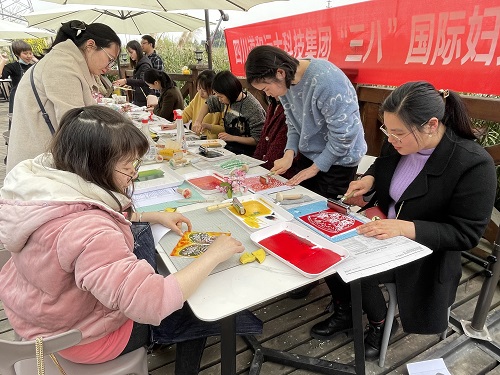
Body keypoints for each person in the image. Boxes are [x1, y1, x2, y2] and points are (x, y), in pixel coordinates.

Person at [0, 105, 262, 374]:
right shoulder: (91, 230)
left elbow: (89, 226)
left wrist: (150, 216)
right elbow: (152, 302)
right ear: (95, 166)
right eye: (128, 167)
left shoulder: (45, 190)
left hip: (41, 316)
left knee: (143, 236)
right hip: (84, 340)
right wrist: (213, 254)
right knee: (196, 307)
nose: (133, 174)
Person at [312, 81, 497, 360]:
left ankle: (381, 322)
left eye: (398, 133)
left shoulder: (473, 164)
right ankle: (346, 309)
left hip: (427, 250)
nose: (391, 139)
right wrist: (370, 179)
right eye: (388, 130)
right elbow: (382, 163)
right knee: (325, 244)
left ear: (432, 125)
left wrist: (403, 228)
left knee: (352, 265)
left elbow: (466, 234)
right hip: (385, 225)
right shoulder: (398, 143)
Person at [245, 45, 367, 298]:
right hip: (311, 156)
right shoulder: (288, 81)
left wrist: (315, 168)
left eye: (267, 89)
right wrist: (289, 154)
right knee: (298, 217)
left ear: (280, 73)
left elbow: (344, 136)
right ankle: (310, 272)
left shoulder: (327, 81)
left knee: (323, 228)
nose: (269, 95)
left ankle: (343, 304)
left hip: (340, 161)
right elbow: (293, 123)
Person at [6, 20, 121, 172]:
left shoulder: (67, 62)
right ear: (90, 45)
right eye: (110, 59)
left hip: (42, 164)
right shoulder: (62, 66)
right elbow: (78, 128)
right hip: (39, 170)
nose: (109, 67)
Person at [192, 70, 265, 156]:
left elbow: (257, 139)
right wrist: (198, 121)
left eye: (221, 97)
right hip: (228, 150)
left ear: (229, 92)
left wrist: (232, 138)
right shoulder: (225, 99)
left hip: (248, 154)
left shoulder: (252, 108)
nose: (219, 100)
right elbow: (209, 103)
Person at [253, 96, 299, 179]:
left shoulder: (293, 107)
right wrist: (254, 164)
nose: (267, 93)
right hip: (268, 169)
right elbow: (263, 139)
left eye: (267, 88)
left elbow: (280, 145)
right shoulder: (273, 104)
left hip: (284, 172)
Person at [0, 40, 37, 130]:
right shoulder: (12, 66)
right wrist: (3, 61)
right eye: (25, 53)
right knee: (16, 122)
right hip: (17, 97)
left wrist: (36, 60)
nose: (28, 56)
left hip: (32, 97)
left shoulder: (35, 66)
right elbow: (1, 75)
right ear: (17, 54)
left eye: (30, 53)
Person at [182, 69, 224, 140]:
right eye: (199, 88)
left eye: (204, 90)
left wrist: (207, 126)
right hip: (196, 137)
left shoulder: (220, 100)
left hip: (212, 141)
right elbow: (187, 112)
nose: (200, 93)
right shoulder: (198, 96)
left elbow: (223, 129)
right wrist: (176, 124)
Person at [113, 40, 152, 107]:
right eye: (128, 53)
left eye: (131, 52)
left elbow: (144, 81)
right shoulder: (139, 63)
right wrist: (130, 85)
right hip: (138, 98)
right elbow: (138, 80)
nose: (130, 55)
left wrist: (126, 81)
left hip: (144, 99)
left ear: (137, 50)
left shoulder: (145, 64)